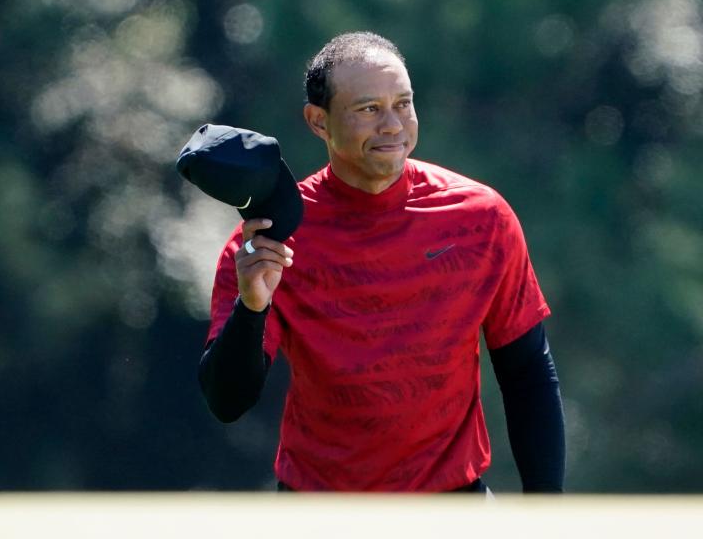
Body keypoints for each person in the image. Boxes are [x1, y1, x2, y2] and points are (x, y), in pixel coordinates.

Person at [198, 32, 565, 493]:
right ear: (318, 121)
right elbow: (227, 401)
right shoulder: (268, 243)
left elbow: (527, 372)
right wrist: (252, 308)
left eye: (403, 104)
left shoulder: (481, 218)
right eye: (369, 109)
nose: (392, 125)